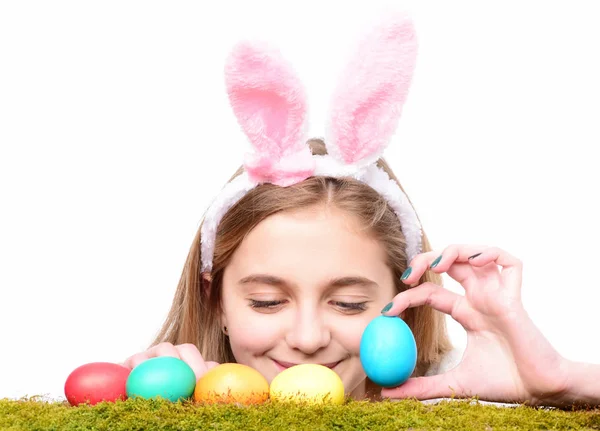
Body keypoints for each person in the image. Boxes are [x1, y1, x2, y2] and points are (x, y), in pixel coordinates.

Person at [123, 14, 599, 408]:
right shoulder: (163, 403)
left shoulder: (460, 403)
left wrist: (560, 382)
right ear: (215, 301)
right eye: (267, 301)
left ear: (404, 302)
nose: (308, 339)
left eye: (348, 304)